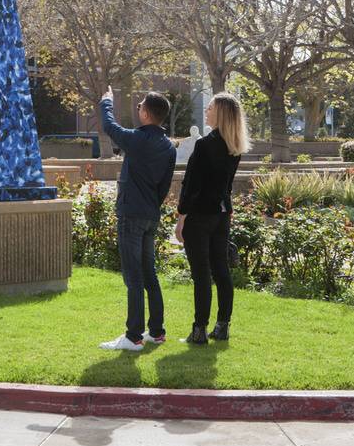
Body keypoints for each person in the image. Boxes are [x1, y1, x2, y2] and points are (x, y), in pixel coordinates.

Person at [98, 86, 177, 351]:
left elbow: (110, 126)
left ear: (146, 113)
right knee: (149, 274)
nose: (138, 108)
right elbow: (164, 186)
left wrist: (107, 102)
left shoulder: (137, 139)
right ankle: (156, 331)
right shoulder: (168, 146)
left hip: (131, 215)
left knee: (134, 277)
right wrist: (152, 207)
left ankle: (133, 336)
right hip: (149, 216)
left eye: (140, 105)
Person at [175, 92, 250, 345]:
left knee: (202, 274)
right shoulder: (234, 147)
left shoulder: (205, 145)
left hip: (200, 216)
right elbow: (225, 186)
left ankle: (199, 330)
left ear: (220, 113)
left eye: (210, 108)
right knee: (221, 271)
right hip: (221, 215)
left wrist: (181, 217)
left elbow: (192, 186)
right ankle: (222, 326)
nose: (206, 111)